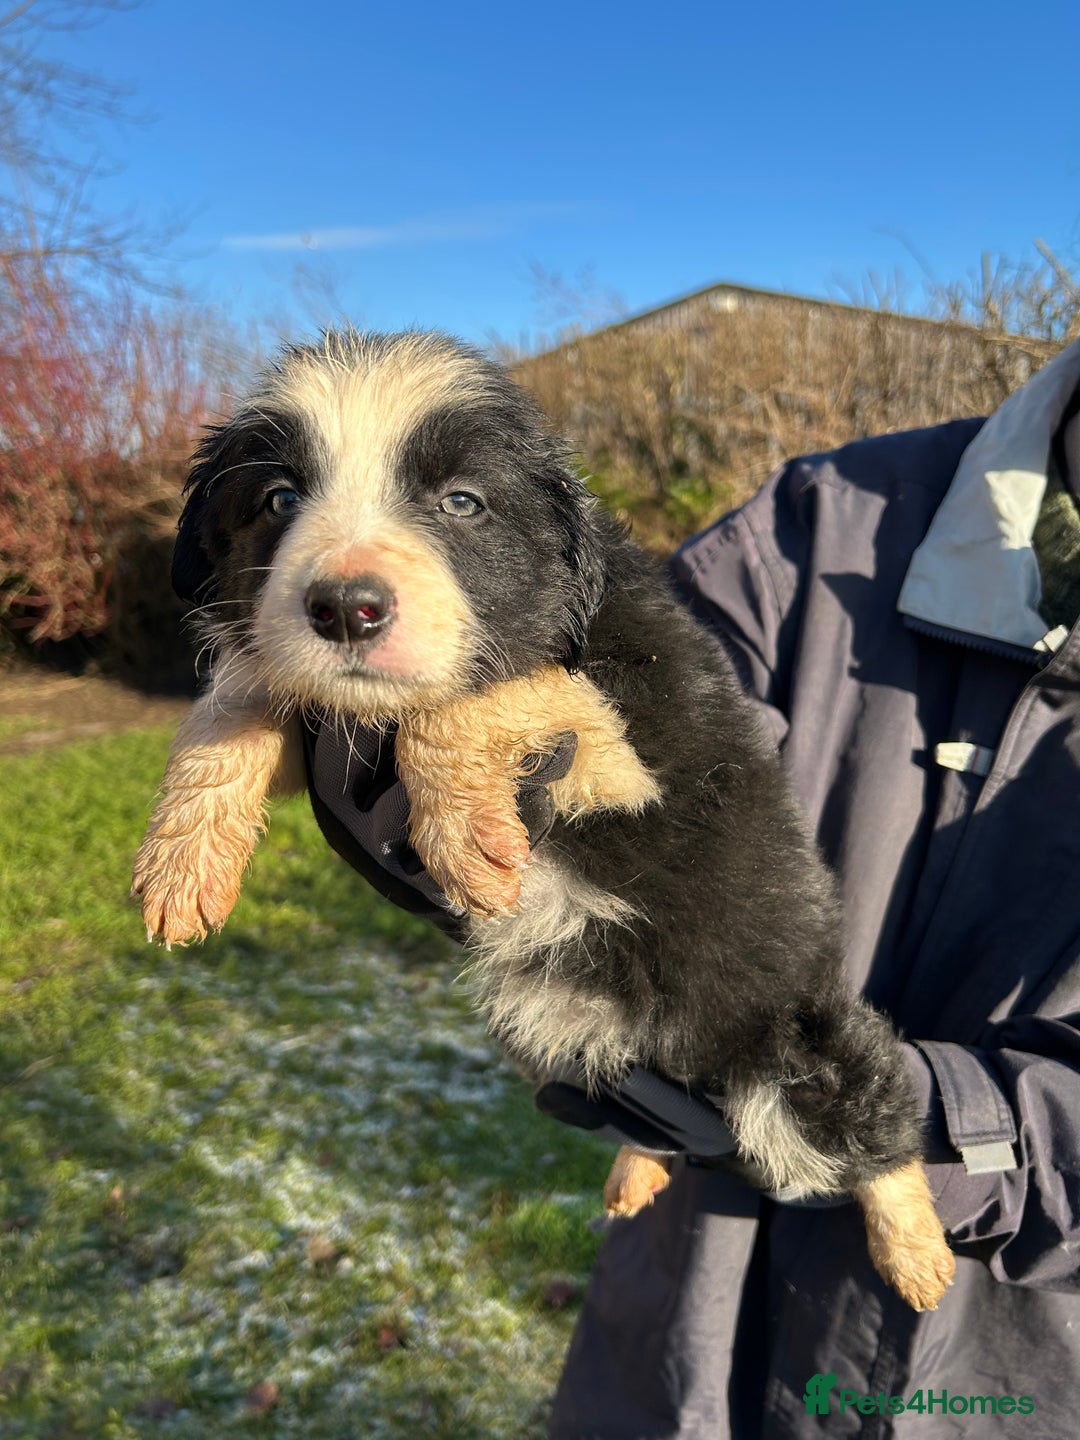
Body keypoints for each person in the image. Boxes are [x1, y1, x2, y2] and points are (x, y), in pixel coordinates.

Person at [305, 335, 1080, 1438]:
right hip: (695, 1341)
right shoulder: (823, 522)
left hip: (1010, 1377)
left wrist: (898, 1123)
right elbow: (626, 702)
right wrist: (460, 817)